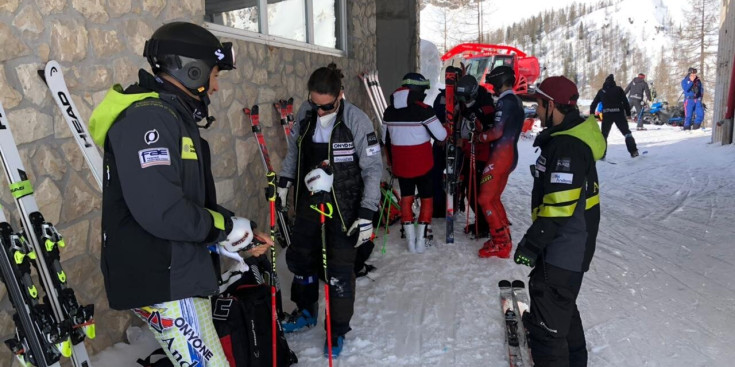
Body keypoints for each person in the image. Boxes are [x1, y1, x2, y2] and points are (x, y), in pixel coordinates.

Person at [89, 22, 273, 367]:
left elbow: (187, 204)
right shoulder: (148, 121)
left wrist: (236, 232)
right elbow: (164, 211)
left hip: (177, 272)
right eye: (215, 75)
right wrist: (224, 230)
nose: (216, 87)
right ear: (192, 71)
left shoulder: (169, 117)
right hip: (166, 277)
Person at [276, 63, 382, 357]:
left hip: (345, 207)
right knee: (301, 258)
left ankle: (337, 328)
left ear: (340, 96)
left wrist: (367, 213)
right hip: (309, 200)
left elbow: (373, 169)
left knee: (338, 269)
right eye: (315, 104)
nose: (320, 112)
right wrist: (285, 182)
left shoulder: (357, 122)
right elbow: (294, 152)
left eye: (326, 107)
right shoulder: (306, 115)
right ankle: (306, 309)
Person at [513, 76, 605, 367]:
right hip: (567, 247)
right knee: (560, 305)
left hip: (565, 247)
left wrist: (531, 244)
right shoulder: (567, 138)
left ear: (551, 105)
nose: (536, 112)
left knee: (547, 330)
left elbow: (559, 207)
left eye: (539, 105)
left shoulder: (567, 147)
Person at [382, 72, 447, 253]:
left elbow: (384, 139)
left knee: (406, 198)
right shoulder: (424, 110)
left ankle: (410, 241)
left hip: (401, 166)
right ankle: (421, 240)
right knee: (427, 198)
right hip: (423, 164)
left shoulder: (389, 111)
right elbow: (441, 135)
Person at [475, 66, 525, 258]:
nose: (492, 88)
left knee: (485, 199)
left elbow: (497, 131)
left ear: (498, 81)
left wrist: (480, 137)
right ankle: (503, 237)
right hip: (509, 154)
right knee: (493, 198)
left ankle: (501, 243)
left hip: (501, 155)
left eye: (493, 83)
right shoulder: (515, 100)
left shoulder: (506, 102)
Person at [455, 74, 494, 239]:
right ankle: (481, 222)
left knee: (477, 191)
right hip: (468, 151)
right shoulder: (466, 105)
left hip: (481, 154)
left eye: (466, 97)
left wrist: (464, 142)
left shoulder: (486, 108)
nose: (463, 100)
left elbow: (484, 135)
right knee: (468, 189)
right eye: (460, 97)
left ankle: (485, 225)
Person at [590, 74, 639, 158]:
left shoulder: (601, 91)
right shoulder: (618, 89)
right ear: (613, 82)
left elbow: (594, 104)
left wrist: (592, 115)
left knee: (604, 135)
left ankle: (602, 154)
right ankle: (633, 152)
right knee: (627, 133)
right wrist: (628, 114)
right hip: (619, 114)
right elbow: (625, 102)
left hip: (607, 114)